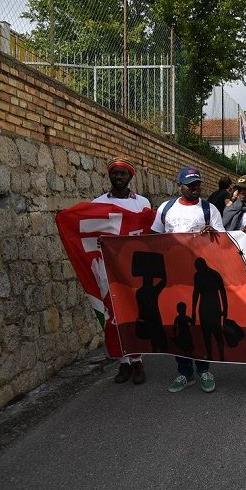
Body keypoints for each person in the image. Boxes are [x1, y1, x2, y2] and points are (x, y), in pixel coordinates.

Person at [151, 167, 225, 394]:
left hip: (200, 277)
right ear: (179, 185)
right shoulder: (166, 208)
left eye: (197, 184)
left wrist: (211, 233)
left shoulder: (208, 208)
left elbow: (222, 241)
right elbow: (155, 239)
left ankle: (204, 369)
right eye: (190, 185)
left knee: (200, 324)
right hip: (173, 277)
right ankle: (184, 372)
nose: (195, 188)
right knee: (178, 324)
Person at [93, 156, 152, 385]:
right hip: (107, 268)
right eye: (115, 173)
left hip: (134, 268)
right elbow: (90, 235)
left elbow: (149, 235)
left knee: (135, 313)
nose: (119, 177)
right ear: (110, 175)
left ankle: (137, 360)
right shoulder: (97, 204)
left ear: (130, 177)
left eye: (123, 173)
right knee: (114, 314)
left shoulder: (142, 203)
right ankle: (123, 362)